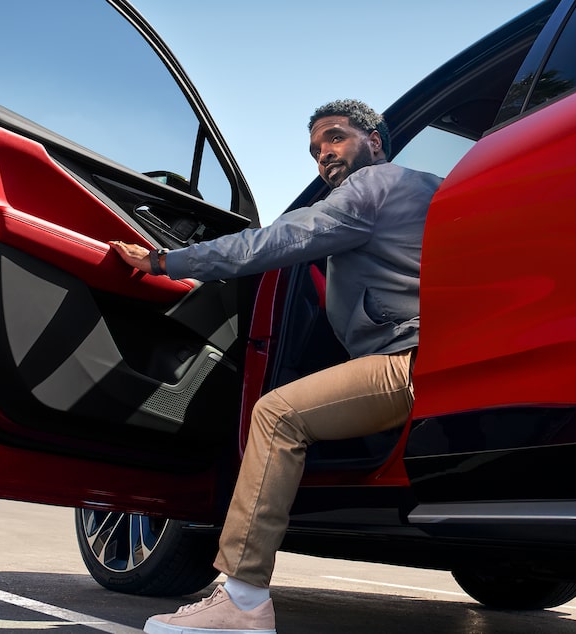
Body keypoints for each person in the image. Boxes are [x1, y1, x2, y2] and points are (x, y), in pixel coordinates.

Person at [110, 98, 443, 634]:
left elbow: (281, 239)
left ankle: (241, 602)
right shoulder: (433, 187)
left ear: (376, 140)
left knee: (276, 414)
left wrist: (165, 261)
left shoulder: (372, 186)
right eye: (315, 149)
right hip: (441, 357)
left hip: (404, 362)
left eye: (335, 138)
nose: (323, 155)